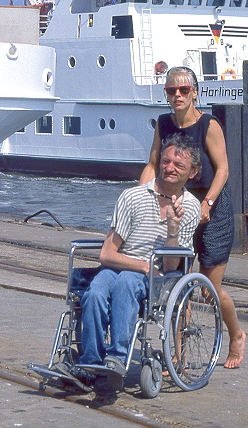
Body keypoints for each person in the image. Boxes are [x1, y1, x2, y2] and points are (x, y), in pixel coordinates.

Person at [67, 134, 203, 390]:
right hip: (121, 266)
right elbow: (106, 255)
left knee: (127, 283)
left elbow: (172, 267)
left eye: (178, 165)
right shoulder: (133, 197)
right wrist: (141, 265)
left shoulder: (192, 208)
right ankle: (90, 361)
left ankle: (117, 357)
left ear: (193, 172)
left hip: (156, 278)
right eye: (166, 161)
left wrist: (173, 230)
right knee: (95, 292)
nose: (170, 168)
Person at [139, 66, 246, 368]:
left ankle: (236, 334)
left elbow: (223, 169)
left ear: (195, 92)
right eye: (171, 91)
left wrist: (207, 202)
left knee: (208, 292)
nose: (177, 95)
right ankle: (179, 353)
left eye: (183, 90)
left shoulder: (208, 125)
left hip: (212, 208)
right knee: (178, 283)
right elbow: (152, 163)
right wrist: (139, 195)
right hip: (178, 205)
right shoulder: (163, 123)